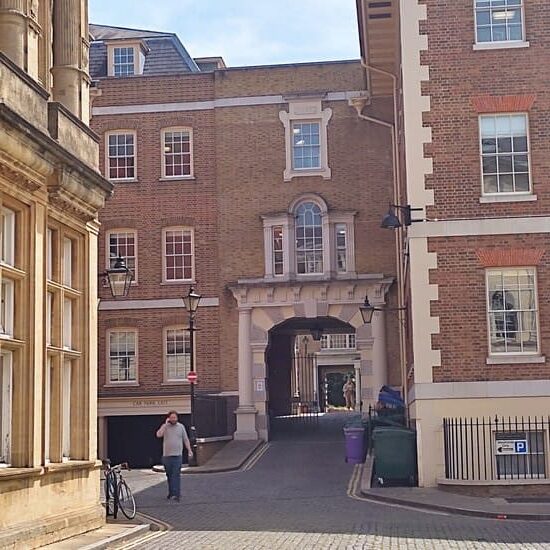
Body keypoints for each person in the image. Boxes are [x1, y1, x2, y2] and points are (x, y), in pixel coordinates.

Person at [156, 410, 193, 502]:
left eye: (175, 417)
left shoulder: (181, 427)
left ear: (177, 418)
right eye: (172, 418)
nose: (173, 419)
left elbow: (185, 439)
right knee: (169, 475)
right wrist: (164, 425)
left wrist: (189, 450)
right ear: (169, 418)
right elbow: (158, 435)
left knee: (176, 475)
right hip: (167, 456)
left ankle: (177, 494)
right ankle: (171, 492)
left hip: (177, 455)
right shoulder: (165, 427)